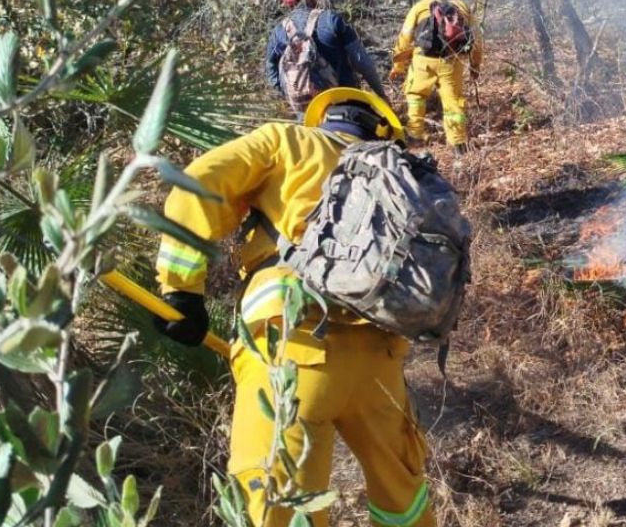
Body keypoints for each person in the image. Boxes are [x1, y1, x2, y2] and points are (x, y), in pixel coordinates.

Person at [151, 88, 435, 527]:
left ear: (322, 119)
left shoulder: (288, 142)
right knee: (403, 496)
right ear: (384, 132)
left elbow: (201, 181)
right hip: (381, 362)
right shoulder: (404, 178)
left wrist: (181, 290)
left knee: (279, 502)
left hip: (291, 347)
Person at [265, 0, 387, 117]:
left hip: (308, 115)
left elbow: (271, 72)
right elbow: (362, 62)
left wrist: (294, 92)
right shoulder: (331, 20)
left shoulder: (279, 33)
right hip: (346, 105)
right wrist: (381, 95)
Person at [389, 0, 483, 154]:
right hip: (451, 61)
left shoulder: (419, 6)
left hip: (422, 61)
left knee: (416, 95)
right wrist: (475, 65)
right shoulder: (461, 7)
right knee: (453, 102)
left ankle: (415, 136)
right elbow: (477, 40)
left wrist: (398, 66)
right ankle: (458, 145)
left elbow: (405, 38)